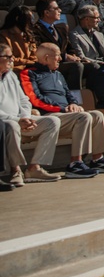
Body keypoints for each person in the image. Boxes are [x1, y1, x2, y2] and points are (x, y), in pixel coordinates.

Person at [21, 42, 104, 177]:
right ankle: (75, 164)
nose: (61, 59)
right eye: (57, 56)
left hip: (66, 114)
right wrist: (64, 109)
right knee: (84, 117)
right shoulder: (29, 73)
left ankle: (98, 159)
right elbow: (35, 99)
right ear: (46, 58)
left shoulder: (58, 74)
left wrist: (74, 104)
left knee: (97, 115)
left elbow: (68, 94)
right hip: (48, 115)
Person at [0, 43, 62, 185]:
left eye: (12, 57)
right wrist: (17, 120)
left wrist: (26, 117)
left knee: (52, 122)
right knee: (11, 126)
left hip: (21, 119)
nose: (12, 60)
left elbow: (24, 100)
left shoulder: (11, 76)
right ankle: (15, 170)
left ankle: (34, 167)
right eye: (8, 57)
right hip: (6, 122)